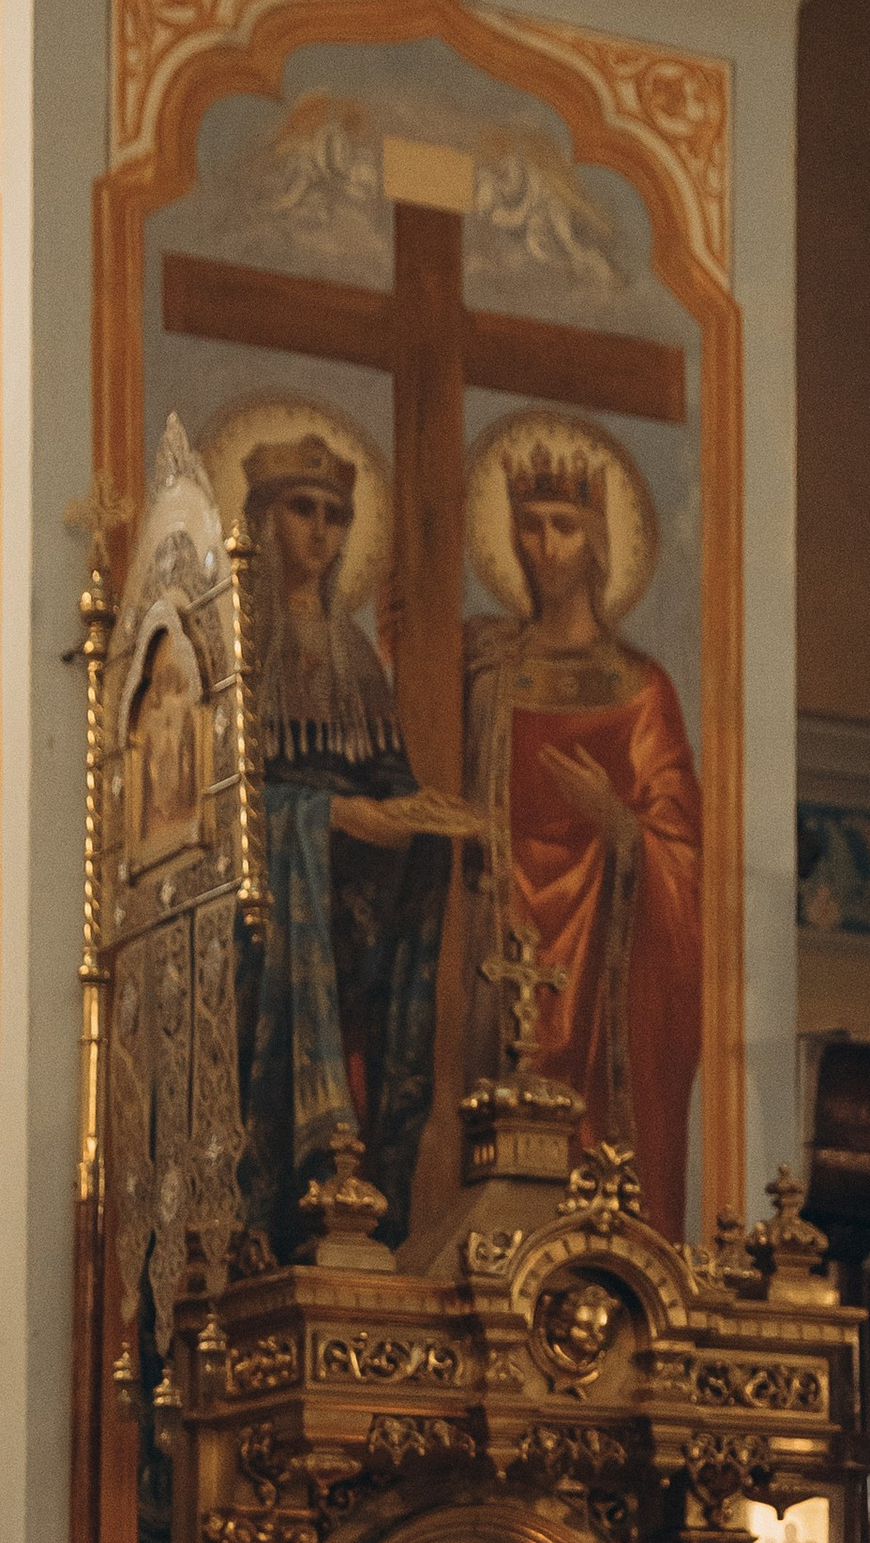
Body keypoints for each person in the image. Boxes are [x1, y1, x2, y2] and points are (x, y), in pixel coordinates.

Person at [465, 441, 702, 1233]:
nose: (543, 548)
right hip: (499, 939)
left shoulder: (641, 690)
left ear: (597, 542)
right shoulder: (490, 672)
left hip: (602, 955)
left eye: (563, 527)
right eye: (528, 528)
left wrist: (617, 823)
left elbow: (679, 847)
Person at [238, 430, 453, 1255]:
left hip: (348, 912)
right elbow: (214, 806)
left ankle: (359, 1195)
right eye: (302, 510)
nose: (321, 532)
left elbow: (386, 775)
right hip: (269, 916)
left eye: (335, 515)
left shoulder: (356, 653)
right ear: (264, 520)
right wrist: (321, 818)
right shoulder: (234, 644)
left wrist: (424, 818)